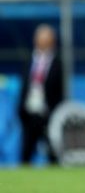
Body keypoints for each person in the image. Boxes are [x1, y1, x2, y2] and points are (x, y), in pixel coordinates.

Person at [18, 24, 64, 165]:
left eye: (46, 39)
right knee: (26, 153)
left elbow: (59, 90)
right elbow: (25, 86)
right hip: (29, 113)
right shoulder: (29, 60)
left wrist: (54, 112)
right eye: (40, 39)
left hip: (48, 114)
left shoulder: (57, 63)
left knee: (52, 153)